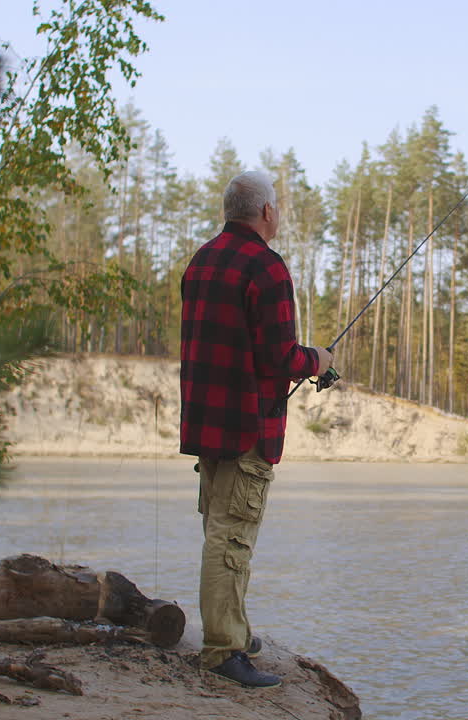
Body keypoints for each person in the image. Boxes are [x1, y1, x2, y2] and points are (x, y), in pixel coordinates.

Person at [179, 170, 332, 688]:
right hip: (247, 425)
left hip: (206, 421)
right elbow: (280, 356)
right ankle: (223, 652)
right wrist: (318, 359)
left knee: (218, 529)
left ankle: (233, 631)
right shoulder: (267, 268)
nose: (280, 213)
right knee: (232, 537)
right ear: (265, 211)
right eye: (279, 206)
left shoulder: (201, 260)